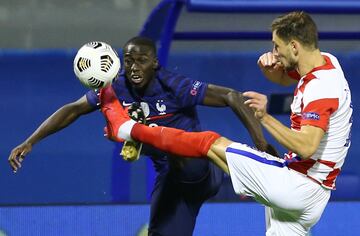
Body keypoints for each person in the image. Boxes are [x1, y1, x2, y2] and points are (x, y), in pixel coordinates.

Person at [97, 12, 353, 235]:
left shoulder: (322, 88)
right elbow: (291, 81)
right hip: (313, 195)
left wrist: (264, 117)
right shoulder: (325, 63)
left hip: (298, 185)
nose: (274, 52)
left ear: (295, 46)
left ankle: (130, 129)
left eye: (277, 46)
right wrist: (272, 72)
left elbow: (308, 146)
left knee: (208, 142)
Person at [8, 36, 276, 236]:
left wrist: (261, 143)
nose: (134, 67)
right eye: (128, 60)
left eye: (141, 60)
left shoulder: (173, 85)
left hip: (199, 170)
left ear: (155, 63)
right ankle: (139, 135)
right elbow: (73, 109)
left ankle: (139, 135)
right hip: (170, 180)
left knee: (176, 150)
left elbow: (232, 96)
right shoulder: (116, 87)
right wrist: (30, 141)